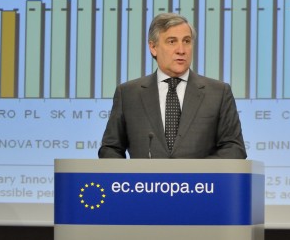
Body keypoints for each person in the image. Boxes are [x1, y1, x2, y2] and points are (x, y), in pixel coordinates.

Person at [99, 13, 246, 159]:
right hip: (143, 182)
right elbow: (110, 148)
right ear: (153, 47)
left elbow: (234, 148)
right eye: (172, 41)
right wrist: (129, 179)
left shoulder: (218, 93)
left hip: (200, 182)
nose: (181, 50)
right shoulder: (128, 94)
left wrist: (195, 173)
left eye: (187, 41)